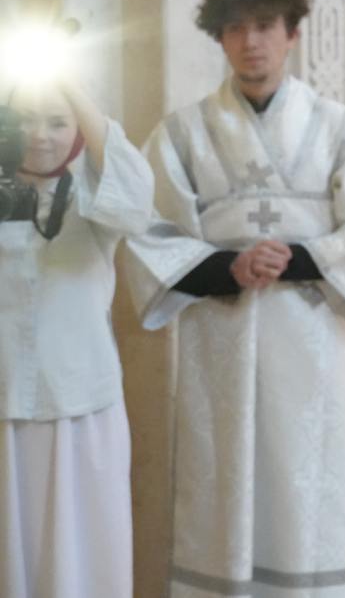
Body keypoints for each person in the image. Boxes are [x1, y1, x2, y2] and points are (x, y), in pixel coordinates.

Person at [123, 0, 345, 597]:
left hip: (310, 344)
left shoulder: (340, 130)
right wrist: (229, 267)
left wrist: (295, 259)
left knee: (310, 488)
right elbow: (147, 233)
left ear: (292, 33)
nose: (252, 41)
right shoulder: (181, 135)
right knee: (224, 484)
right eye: (236, 28)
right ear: (219, 38)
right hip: (218, 345)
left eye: (266, 26)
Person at [0, 77, 154, 597]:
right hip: (4, 405)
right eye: (25, 118)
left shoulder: (95, 192)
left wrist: (71, 85)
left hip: (80, 407)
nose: (39, 135)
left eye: (57, 121)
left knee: (82, 559)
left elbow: (138, 202)